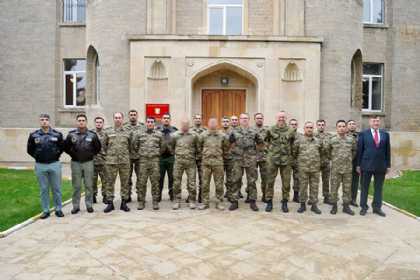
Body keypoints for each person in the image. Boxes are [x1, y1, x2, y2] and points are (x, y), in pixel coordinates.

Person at [27, 113, 65, 219]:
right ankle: (46, 210)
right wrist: (38, 156)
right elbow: (29, 150)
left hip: (54, 164)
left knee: (56, 188)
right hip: (40, 165)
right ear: (40, 121)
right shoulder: (34, 135)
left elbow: (62, 147)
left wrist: (55, 154)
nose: (44, 121)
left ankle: (58, 209)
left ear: (49, 121)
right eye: (42, 119)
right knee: (44, 189)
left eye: (46, 119)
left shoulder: (57, 135)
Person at [64, 114, 101, 214]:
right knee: (76, 186)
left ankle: (89, 205)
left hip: (88, 162)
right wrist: (73, 154)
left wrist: (90, 154)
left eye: (83, 120)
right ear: (77, 122)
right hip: (76, 163)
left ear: (86, 122)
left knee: (89, 185)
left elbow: (97, 148)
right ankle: (76, 206)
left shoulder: (92, 135)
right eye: (79, 120)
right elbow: (66, 147)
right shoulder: (71, 135)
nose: (81, 122)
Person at [228, 113, 264, 211]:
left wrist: (255, 153)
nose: (244, 120)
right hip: (237, 159)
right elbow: (229, 143)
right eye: (242, 118)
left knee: (252, 180)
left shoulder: (254, 131)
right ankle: (234, 201)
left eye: (246, 118)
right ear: (239, 120)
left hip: (250, 159)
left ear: (249, 120)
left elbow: (260, 143)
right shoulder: (234, 131)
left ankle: (252, 201)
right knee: (236, 179)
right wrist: (234, 151)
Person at [357, 115, 391, 217]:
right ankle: (363, 207)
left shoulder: (385, 134)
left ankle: (377, 208)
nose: (376, 123)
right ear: (369, 122)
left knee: (378, 188)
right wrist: (358, 165)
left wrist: (388, 165)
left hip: (381, 165)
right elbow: (360, 150)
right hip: (366, 165)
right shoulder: (363, 134)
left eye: (377, 121)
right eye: (373, 121)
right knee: (364, 187)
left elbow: (387, 150)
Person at [264, 111, 296, 213]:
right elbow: (265, 141)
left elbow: (294, 144)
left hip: (286, 160)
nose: (281, 119)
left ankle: (285, 202)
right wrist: (269, 152)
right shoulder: (270, 129)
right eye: (279, 117)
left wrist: (291, 155)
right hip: (273, 159)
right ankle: (269, 201)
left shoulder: (291, 130)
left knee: (286, 182)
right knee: (270, 181)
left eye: (283, 117)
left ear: (285, 118)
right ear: (276, 118)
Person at [102, 112, 132, 213]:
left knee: (125, 183)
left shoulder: (128, 132)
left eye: (119, 118)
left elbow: (131, 146)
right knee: (110, 182)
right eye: (116, 118)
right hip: (111, 162)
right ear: (113, 119)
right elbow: (104, 146)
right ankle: (110, 203)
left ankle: (124, 202)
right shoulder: (107, 131)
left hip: (124, 161)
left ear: (122, 119)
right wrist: (110, 155)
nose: (118, 119)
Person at [326, 120, 357, 215]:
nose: (342, 128)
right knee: (334, 188)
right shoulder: (332, 140)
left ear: (346, 128)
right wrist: (334, 159)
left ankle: (346, 206)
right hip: (336, 168)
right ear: (336, 128)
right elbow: (327, 152)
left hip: (347, 168)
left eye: (343, 126)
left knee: (347, 188)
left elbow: (354, 151)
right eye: (339, 126)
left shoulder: (351, 139)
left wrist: (349, 159)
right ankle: (334, 206)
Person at [199, 118, 230, 210]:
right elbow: (199, 147)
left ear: (217, 124)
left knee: (219, 184)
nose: (212, 124)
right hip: (206, 163)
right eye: (211, 122)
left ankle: (219, 202)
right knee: (204, 184)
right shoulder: (203, 135)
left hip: (218, 163)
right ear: (208, 124)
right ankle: (205, 203)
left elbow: (226, 148)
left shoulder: (222, 136)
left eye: (214, 123)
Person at [293, 121, 324, 214]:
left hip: (315, 169)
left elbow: (321, 153)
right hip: (303, 169)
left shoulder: (318, 141)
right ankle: (302, 205)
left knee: (314, 187)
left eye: (311, 127)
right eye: (307, 127)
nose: (309, 129)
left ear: (313, 129)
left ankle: (314, 205)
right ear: (304, 129)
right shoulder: (298, 141)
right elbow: (294, 153)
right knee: (302, 187)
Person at [133, 117, 163, 210]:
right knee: (142, 182)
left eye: (152, 122)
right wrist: (141, 153)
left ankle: (155, 202)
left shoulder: (159, 134)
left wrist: (157, 154)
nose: (150, 123)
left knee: (155, 182)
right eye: (148, 122)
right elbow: (135, 145)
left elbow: (162, 146)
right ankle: (141, 202)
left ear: (154, 124)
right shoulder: (139, 134)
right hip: (143, 161)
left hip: (154, 161)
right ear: (146, 123)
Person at [172, 118, 200, 210]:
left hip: (190, 162)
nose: (185, 126)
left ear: (189, 125)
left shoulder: (194, 135)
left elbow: (197, 148)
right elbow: (172, 147)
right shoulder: (175, 135)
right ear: (180, 125)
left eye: (186, 124)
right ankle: (176, 200)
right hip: (178, 162)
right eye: (183, 124)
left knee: (191, 182)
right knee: (176, 182)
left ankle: (192, 200)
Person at [123, 109, 145, 202]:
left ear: (137, 116)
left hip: (139, 156)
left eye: (134, 114)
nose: (133, 116)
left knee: (141, 177)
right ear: (129, 116)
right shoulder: (124, 127)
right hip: (127, 156)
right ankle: (127, 196)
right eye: (131, 114)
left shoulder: (142, 127)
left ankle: (140, 195)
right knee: (127, 177)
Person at [157, 113, 178, 202]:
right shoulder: (157, 130)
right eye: (164, 118)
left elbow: (178, 143)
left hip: (170, 157)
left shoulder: (175, 130)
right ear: (162, 120)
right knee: (159, 178)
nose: (166, 119)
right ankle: (158, 195)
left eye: (168, 118)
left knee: (172, 178)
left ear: (170, 120)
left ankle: (172, 194)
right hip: (160, 157)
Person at [314, 119, 333, 204]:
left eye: (322, 125)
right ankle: (313, 198)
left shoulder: (329, 136)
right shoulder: (313, 136)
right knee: (314, 181)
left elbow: (332, 147)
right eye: (319, 124)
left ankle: (326, 197)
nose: (321, 126)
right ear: (317, 126)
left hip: (326, 161)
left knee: (326, 180)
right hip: (316, 162)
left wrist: (330, 157)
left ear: (324, 126)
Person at [190, 114, 206, 203]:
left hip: (202, 158)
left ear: (201, 120)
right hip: (191, 157)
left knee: (202, 178)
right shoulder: (189, 130)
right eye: (196, 118)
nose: (198, 120)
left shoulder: (205, 130)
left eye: (199, 118)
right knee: (191, 178)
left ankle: (201, 196)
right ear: (194, 120)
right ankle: (191, 195)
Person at [253, 113, 269, 203]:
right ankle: (252, 196)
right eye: (257, 118)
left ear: (263, 119)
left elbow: (271, 142)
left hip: (264, 157)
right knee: (252, 178)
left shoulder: (267, 130)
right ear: (254, 119)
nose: (259, 119)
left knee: (265, 178)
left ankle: (265, 196)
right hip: (253, 157)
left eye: (261, 118)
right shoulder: (251, 130)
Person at [93, 116, 107, 204]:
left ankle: (105, 196)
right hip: (92, 161)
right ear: (95, 123)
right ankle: (93, 196)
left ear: (103, 123)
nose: (98, 123)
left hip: (103, 161)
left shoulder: (106, 134)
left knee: (105, 180)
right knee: (92, 180)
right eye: (97, 122)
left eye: (100, 122)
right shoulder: (90, 133)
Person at [221, 116, 235, 201]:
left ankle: (230, 194)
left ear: (229, 123)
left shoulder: (233, 132)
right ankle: (220, 195)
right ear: (221, 123)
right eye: (224, 121)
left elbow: (235, 144)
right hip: (221, 158)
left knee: (230, 178)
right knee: (220, 178)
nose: (225, 123)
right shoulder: (218, 132)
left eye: (227, 121)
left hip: (230, 158)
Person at [347, 120, 360, 207]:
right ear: (347, 126)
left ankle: (353, 199)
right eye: (350, 124)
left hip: (357, 162)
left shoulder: (360, 136)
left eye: (353, 124)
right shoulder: (344, 135)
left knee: (355, 181)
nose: (352, 125)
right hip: (347, 161)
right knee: (346, 181)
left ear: (355, 126)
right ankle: (346, 199)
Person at [288, 118, 301, 203]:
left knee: (297, 178)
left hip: (297, 160)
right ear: (289, 125)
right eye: (292, 124)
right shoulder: (285, 135)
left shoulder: (300, 136)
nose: (293, 126)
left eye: (295, 124)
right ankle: (285, 196)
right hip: (287, 159)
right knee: (286, 178)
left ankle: (296, 196)